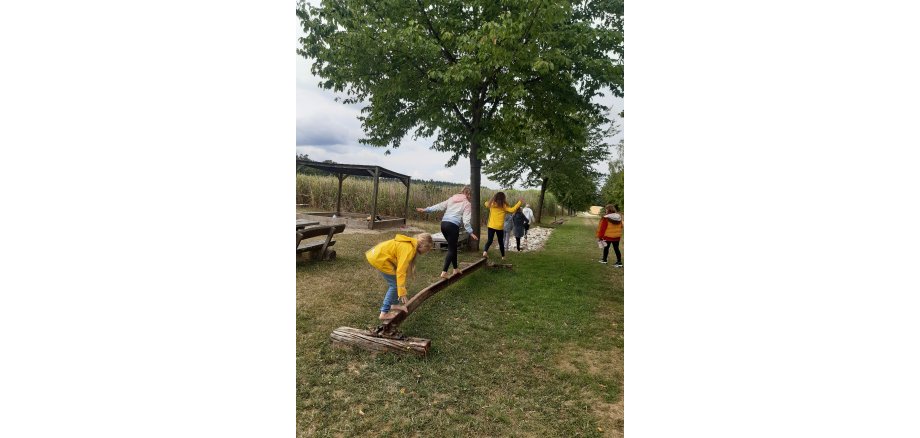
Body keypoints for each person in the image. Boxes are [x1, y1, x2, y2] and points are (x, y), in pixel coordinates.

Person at [366, 233, 435, 319]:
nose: (426, 252)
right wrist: (402, 292)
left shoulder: (411, 245)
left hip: (377, 255)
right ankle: (384, 313)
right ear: (423, 246)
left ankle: (394, 304)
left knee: (396, 282)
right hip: (380, 259)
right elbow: (401, 271)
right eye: (427, 249)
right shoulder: (409, 249)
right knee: (394, 285)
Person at [416, 186, 479, 279]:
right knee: (451, 249)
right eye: (471, 196)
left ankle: (455, 269)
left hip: (444, 225)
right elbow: (466, 221)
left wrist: (426, 209)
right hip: (453, 226)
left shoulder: (451, 199)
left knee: (452, 247)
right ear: (468, 194)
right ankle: (444, 272)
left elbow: (439, 206)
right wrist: (471, 232)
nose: (471, 198)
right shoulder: (467, 204)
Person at [482, 192, 523, 261]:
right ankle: (503, 256)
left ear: (495, 197)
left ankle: (485, 251)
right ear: (503, 198)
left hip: (491, 225)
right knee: (501, 242)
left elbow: (485, 203)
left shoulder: (492, 204)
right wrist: (519, 202)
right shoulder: (504, 206)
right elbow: (512, 210)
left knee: (489, 240)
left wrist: (492, 199)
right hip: (499, 227)